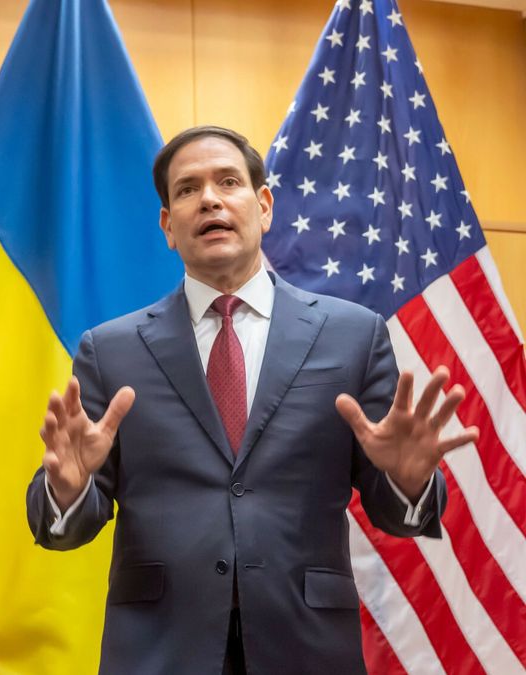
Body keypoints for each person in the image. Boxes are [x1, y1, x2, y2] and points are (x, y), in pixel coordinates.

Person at [25, 126, 476, 674]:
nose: (209, 199)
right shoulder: (110, 351)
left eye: (228, 182)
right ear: (168, 226)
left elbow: (397, 517)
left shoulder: (353, 336)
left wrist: (407, 483)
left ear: (263, 206)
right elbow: (64, 529)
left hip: (306, 648)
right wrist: (67, 490)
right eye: (187, 190)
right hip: (159, 651)